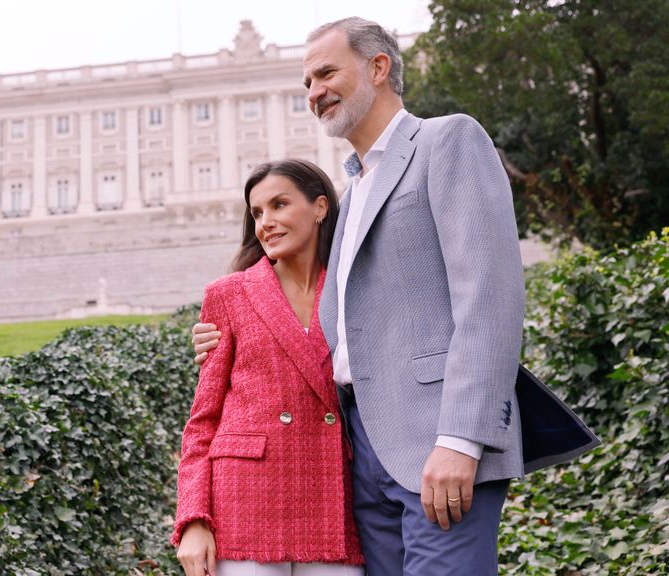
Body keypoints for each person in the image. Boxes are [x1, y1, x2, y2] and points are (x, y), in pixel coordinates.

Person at [191, 17, 598, 576]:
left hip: (439, 438)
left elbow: (490, 299)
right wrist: (230, 336)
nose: (314, 93)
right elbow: (344, 316)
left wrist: (461, 438)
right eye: (307, 82)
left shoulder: (446, 140)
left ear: (378, 68)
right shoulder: (352, 190)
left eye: (327, 74)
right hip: (362, 451)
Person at [173, 159, 365, 576]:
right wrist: (193, 519)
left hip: (332, 496)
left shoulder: (354, 287)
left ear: (320, 207)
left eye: (279, 205)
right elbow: (202, 421)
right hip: (243, 501)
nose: (267, 222)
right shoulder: (228, 295)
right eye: (257, 213)